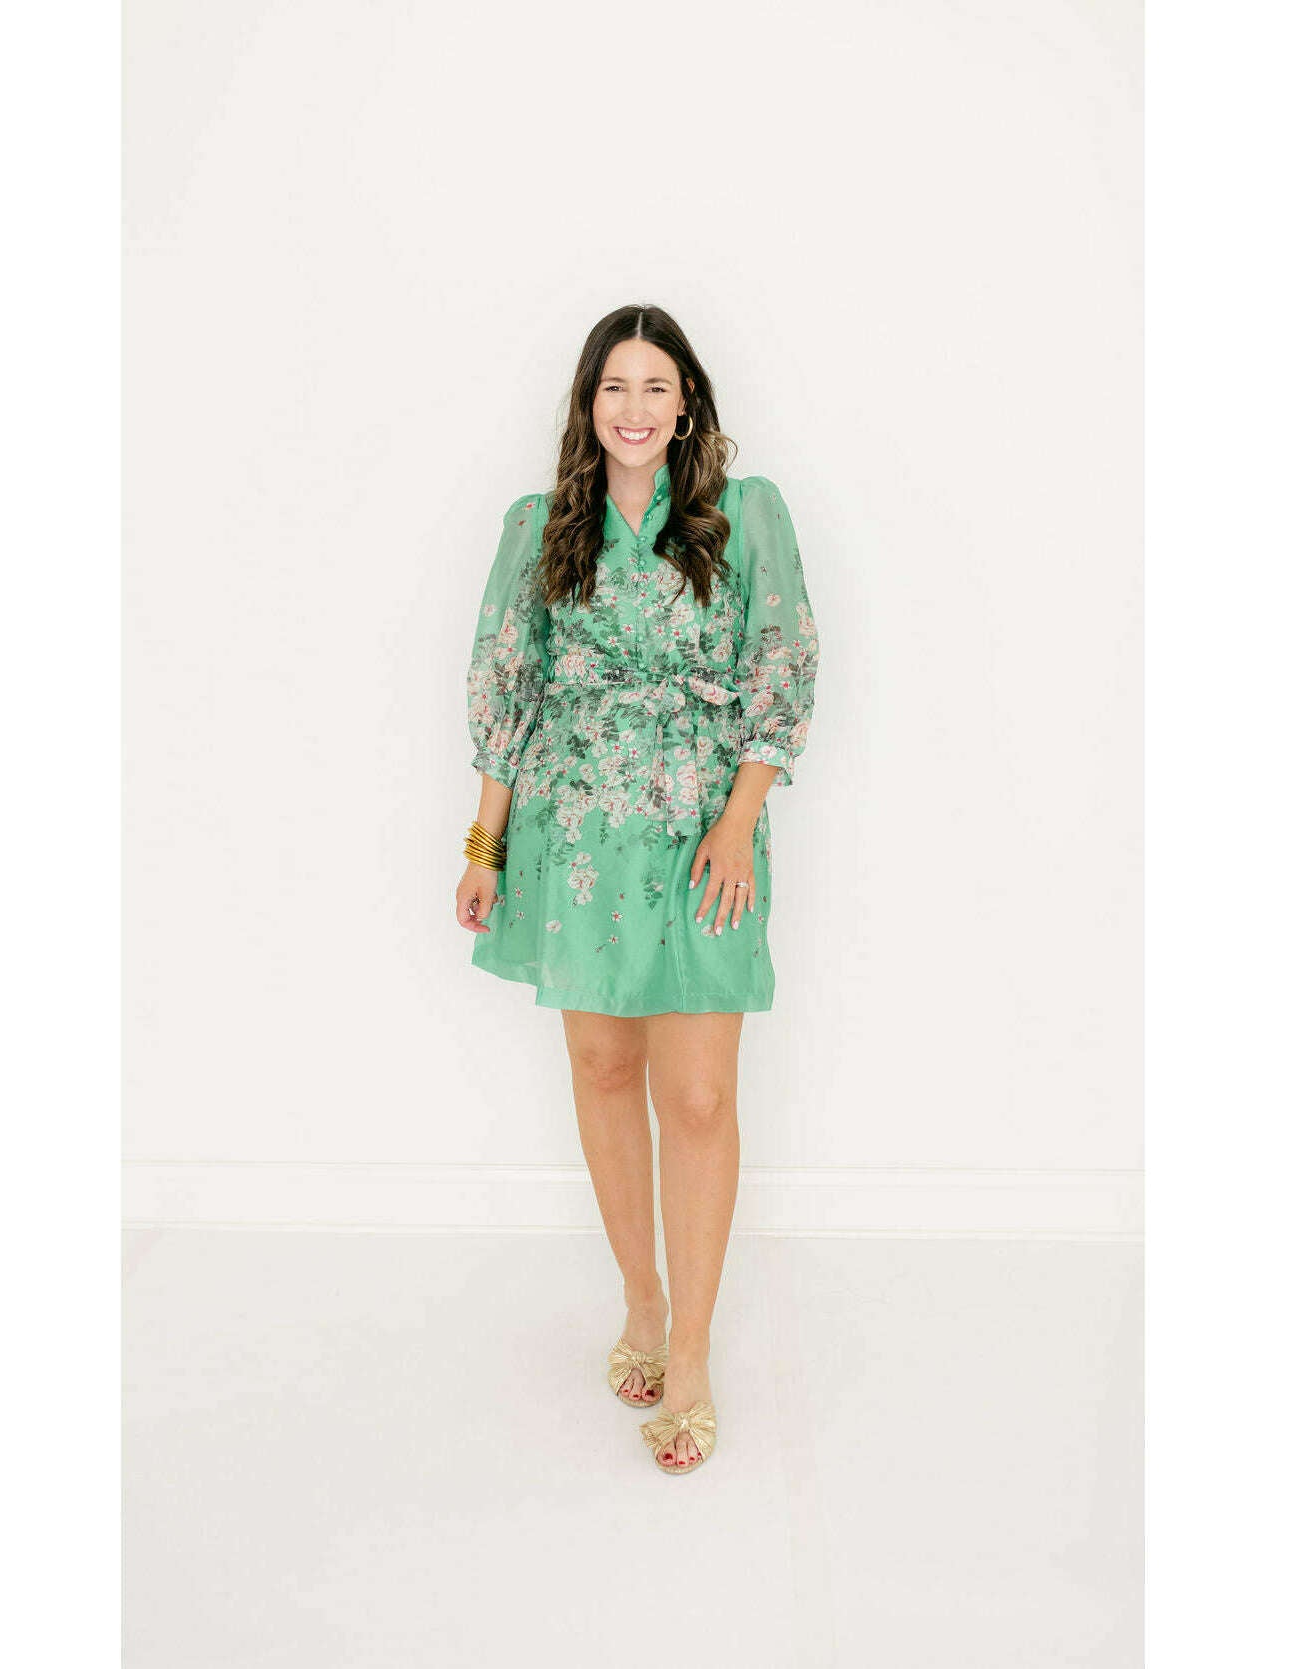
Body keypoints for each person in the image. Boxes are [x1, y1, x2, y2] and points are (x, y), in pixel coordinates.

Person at [455, 303, 820, 1475]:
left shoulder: (743, 514)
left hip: (704, 837)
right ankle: (642, 1301)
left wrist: (739, 820)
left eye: (656, 386)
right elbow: (507, 685)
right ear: (587, 402)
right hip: (574, 838)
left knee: (699, 1096)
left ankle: (695, 1356)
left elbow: (781, 665)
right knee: (604, 1069)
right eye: (614, 386)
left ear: (687, 402)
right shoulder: (540, 527)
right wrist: (484, 846)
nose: (634, 408)